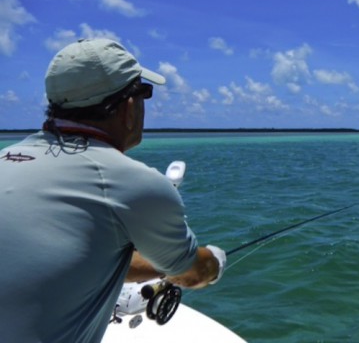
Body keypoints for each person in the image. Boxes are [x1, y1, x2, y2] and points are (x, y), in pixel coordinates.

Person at [0, 39, 227, 343]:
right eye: (144, 92)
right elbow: (192, 274)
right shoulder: (133, 182)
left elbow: (78, 256)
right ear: (129, 107)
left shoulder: (6, 158)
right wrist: (214, 260)